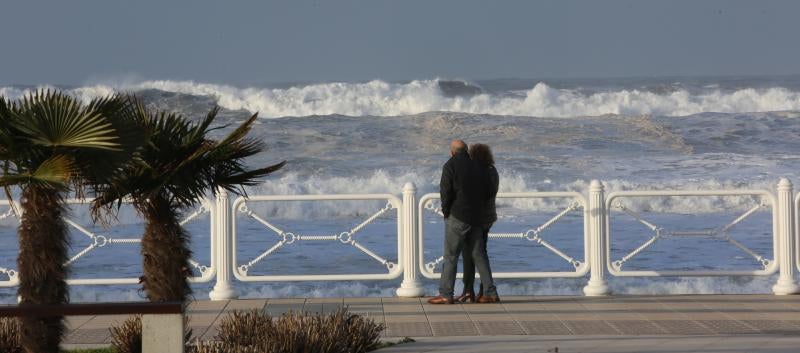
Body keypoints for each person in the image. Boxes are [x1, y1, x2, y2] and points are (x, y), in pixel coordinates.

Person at [428, 140, 498, 304]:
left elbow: (445, 192)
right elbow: (486, 191)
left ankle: (446, 293)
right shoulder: (478, 165)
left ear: (452, 152)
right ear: (466, 151)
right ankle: (490, 291)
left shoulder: (450, 165)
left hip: (458, 217)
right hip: (477, 218)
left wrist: (446, 213)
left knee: (451, 256)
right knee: (479, 255)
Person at [457, 143, 500, 303]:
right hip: (489, 217)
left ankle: (476, 290)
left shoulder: (478, 172)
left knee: (472, 254)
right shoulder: (492, 171)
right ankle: (482, 290)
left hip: (476, 218)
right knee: (480, 253)